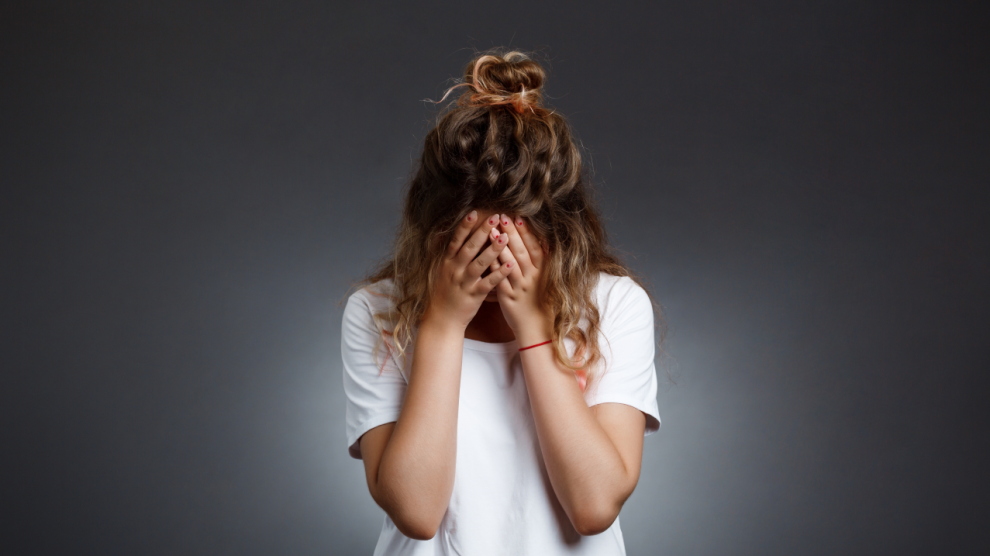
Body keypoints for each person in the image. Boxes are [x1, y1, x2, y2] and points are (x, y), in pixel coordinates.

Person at [341, 49, 664, 555]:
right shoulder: (379, 311)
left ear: (559, 227)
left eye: (514, 237)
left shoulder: (614, 304)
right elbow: (417, 512)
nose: (496, 257)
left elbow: (595, 504)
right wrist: (443, 325)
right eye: (472, 238)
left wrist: (535, 327)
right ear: (435, 226)